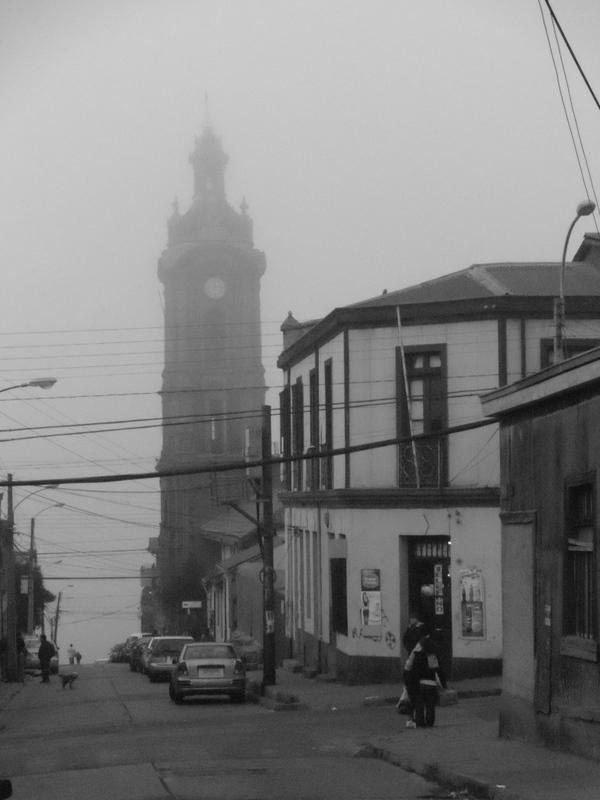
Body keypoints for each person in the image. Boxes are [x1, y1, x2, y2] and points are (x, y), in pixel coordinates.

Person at [403, 633, 446, 728]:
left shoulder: (417, 655)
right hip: (431, 683)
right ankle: (430, 722)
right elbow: (437, 670)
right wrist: (443, 684)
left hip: (420, 683)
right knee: (430, 705)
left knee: (419, 704)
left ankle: (420, 722)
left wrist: (410, 683)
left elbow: (412, 670)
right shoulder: (431, 656)